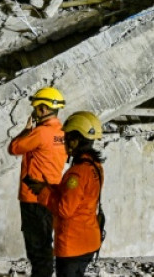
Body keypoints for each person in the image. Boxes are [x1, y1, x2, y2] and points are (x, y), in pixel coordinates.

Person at [26, 111, 105, 277]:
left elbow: (64, 209)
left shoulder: (76, 173)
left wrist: (43, 193)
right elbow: (80, 197)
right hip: (89, 241)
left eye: (66, 138)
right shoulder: (95, 166)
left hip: (73, 245)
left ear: (74, 141)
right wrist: (49, 187)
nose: (64, 142)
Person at [7, 87, 67, 277]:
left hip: (33, 199)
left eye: (35, 108)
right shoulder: (63, 134)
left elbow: (14, 148)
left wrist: (26, 129)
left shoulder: (41, 133)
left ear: (42, 109)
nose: (34, 111)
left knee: (37, 250)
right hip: (51, 196)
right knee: (44, 245)